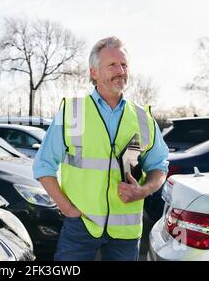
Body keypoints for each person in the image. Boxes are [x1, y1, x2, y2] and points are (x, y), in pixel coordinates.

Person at [33, 36, 169, 261]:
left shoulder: (144, 118)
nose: (121, 71)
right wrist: (68, 210)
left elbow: (159, 166)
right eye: (113, 65)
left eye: (124, 65)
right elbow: (43, 166)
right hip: (81, 226)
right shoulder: (72, 112)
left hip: (126, 231)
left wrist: (144, 190)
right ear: (94, 73)